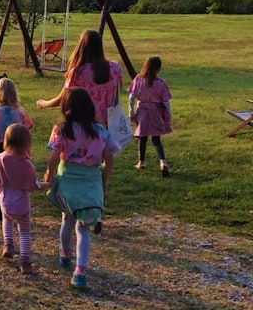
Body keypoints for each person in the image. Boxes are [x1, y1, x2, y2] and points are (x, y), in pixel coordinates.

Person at [36, 29, 122, 232]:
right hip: (103, 126)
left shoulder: (78, 72)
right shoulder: (115, 68)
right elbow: (116, 95)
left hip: (80, 125)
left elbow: (64, 97)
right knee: (97, 171)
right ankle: (95, 210)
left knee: (79, 167)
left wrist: (45, 103)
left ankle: (77, 208)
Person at [43, 87, 120, 289]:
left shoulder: (62, 129)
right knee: (83, 227)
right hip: (91, 180)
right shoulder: (101, 132)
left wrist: (49, 173)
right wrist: (104, 180)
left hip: (68, 179)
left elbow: (53, 156)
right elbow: (110, 160)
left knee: (67, 220)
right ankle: (80, 271)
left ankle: (65, 252)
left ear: (65, 107)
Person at [0, 123, 49, 275]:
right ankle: (24, 260)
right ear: (27, 144)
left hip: (5, 202)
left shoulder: (0, 157)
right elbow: (32, 186)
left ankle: (8, 244)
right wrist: (48, 184)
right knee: (25, 232)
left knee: (7, 221)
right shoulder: (27, 165)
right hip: (21, 205)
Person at [0, 77, 34, 221]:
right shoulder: (21, 112)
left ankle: (1, 201)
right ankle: (15, 202)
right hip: (17, 148)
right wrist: (27, 151)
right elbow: (27, 132)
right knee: (15, 177)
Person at [128, 56, 173, 177]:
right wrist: (169, 116)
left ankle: (141, 162)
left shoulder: (138, 80)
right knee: (156, 139)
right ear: (158, 68)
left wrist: (131, 112)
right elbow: (166, 103)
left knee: (142, 138)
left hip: (142, 112)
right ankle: (163, 162)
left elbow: (131, 98)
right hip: (156, 112)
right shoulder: (161, 83)